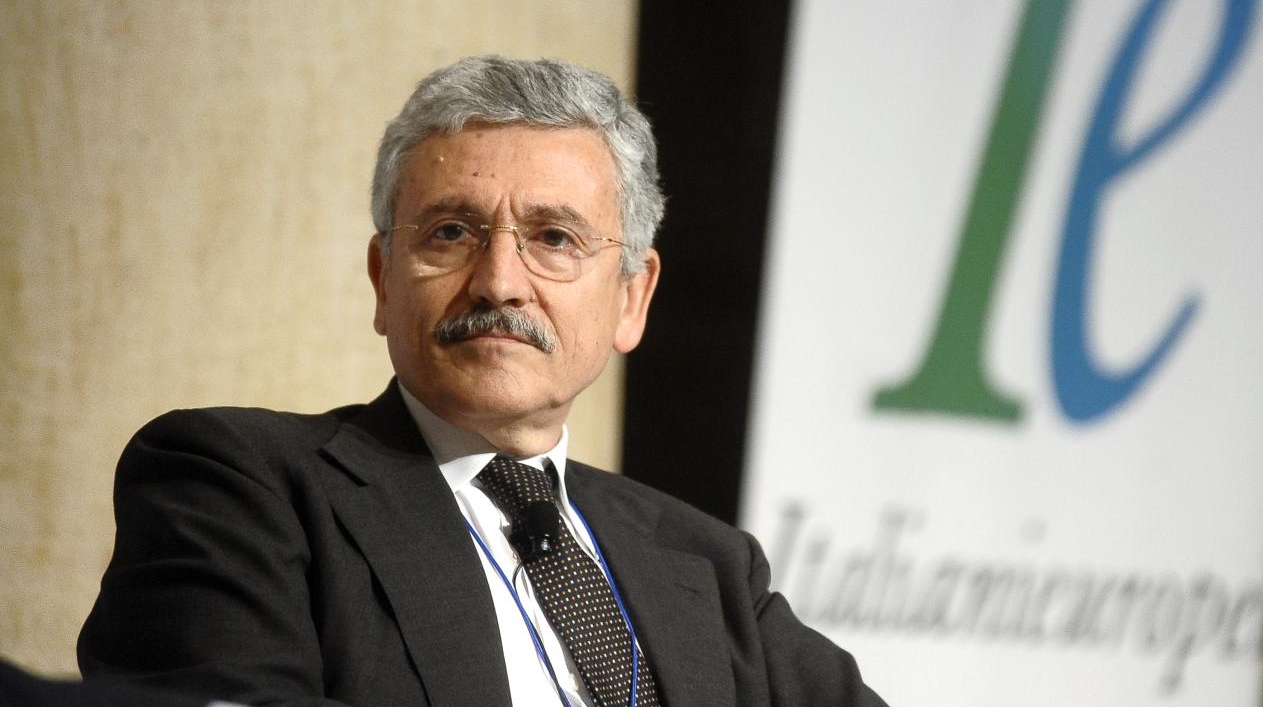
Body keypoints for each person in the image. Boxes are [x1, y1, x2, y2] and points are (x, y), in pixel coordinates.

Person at [78, 56, 887, 707]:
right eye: (451, 232)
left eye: (555, 237)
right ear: (383, 279)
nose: (499, 281)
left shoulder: (708, 565)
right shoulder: (237, 485)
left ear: (632, 297)